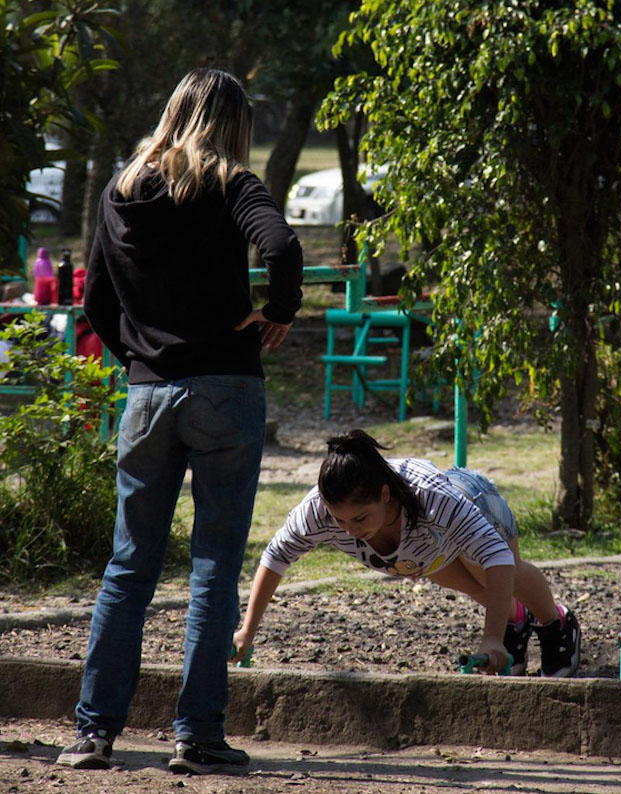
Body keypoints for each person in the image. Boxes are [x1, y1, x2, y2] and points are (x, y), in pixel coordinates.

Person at [57, 67, 303, 776]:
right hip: (226, 390)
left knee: (128, 566)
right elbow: (282, 247)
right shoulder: (233, 184)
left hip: (147, 398)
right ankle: (197, 738)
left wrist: (140, 357)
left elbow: (94, 301)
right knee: (213, 567)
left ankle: (93, 733)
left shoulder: (121, 188)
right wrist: (279, 312)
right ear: (235, 126)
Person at [232, 429, 581, 679]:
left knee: (496, 575)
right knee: (477, 588)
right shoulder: (317, 512)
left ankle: (556, 624)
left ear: (385, 495)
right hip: (426, 552)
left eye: (360, 518)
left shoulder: (433, 498)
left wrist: (489, 638)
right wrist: (247, 631)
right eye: (339, 520)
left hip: (474, 501)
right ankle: (514, 622)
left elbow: (497, 558)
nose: (349, 530)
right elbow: (275, 557)